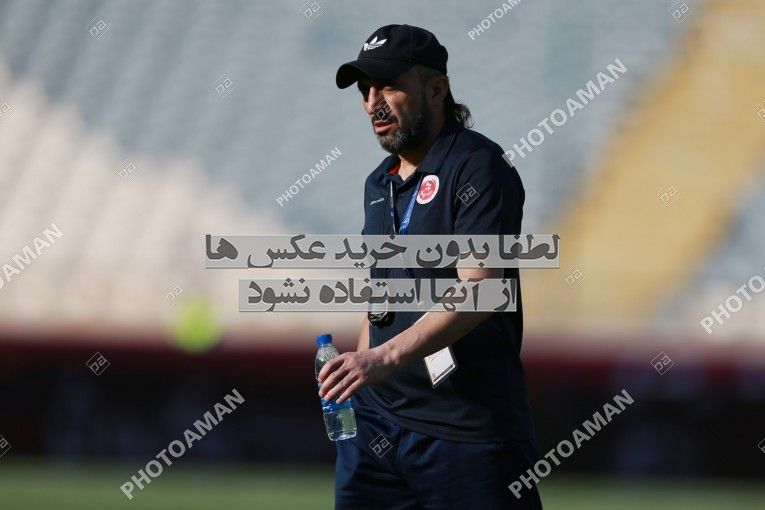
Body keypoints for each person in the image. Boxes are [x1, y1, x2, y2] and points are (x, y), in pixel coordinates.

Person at [318, 24, 543, 509]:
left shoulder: (478, 165)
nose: (372, 103)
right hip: (376, 432)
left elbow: (481, 292)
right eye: (365, 90)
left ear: (437, 89)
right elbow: (381, 297)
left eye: (388, 86)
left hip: (465, 435)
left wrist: (383, 359)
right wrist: (358, 377)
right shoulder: (378, 183)